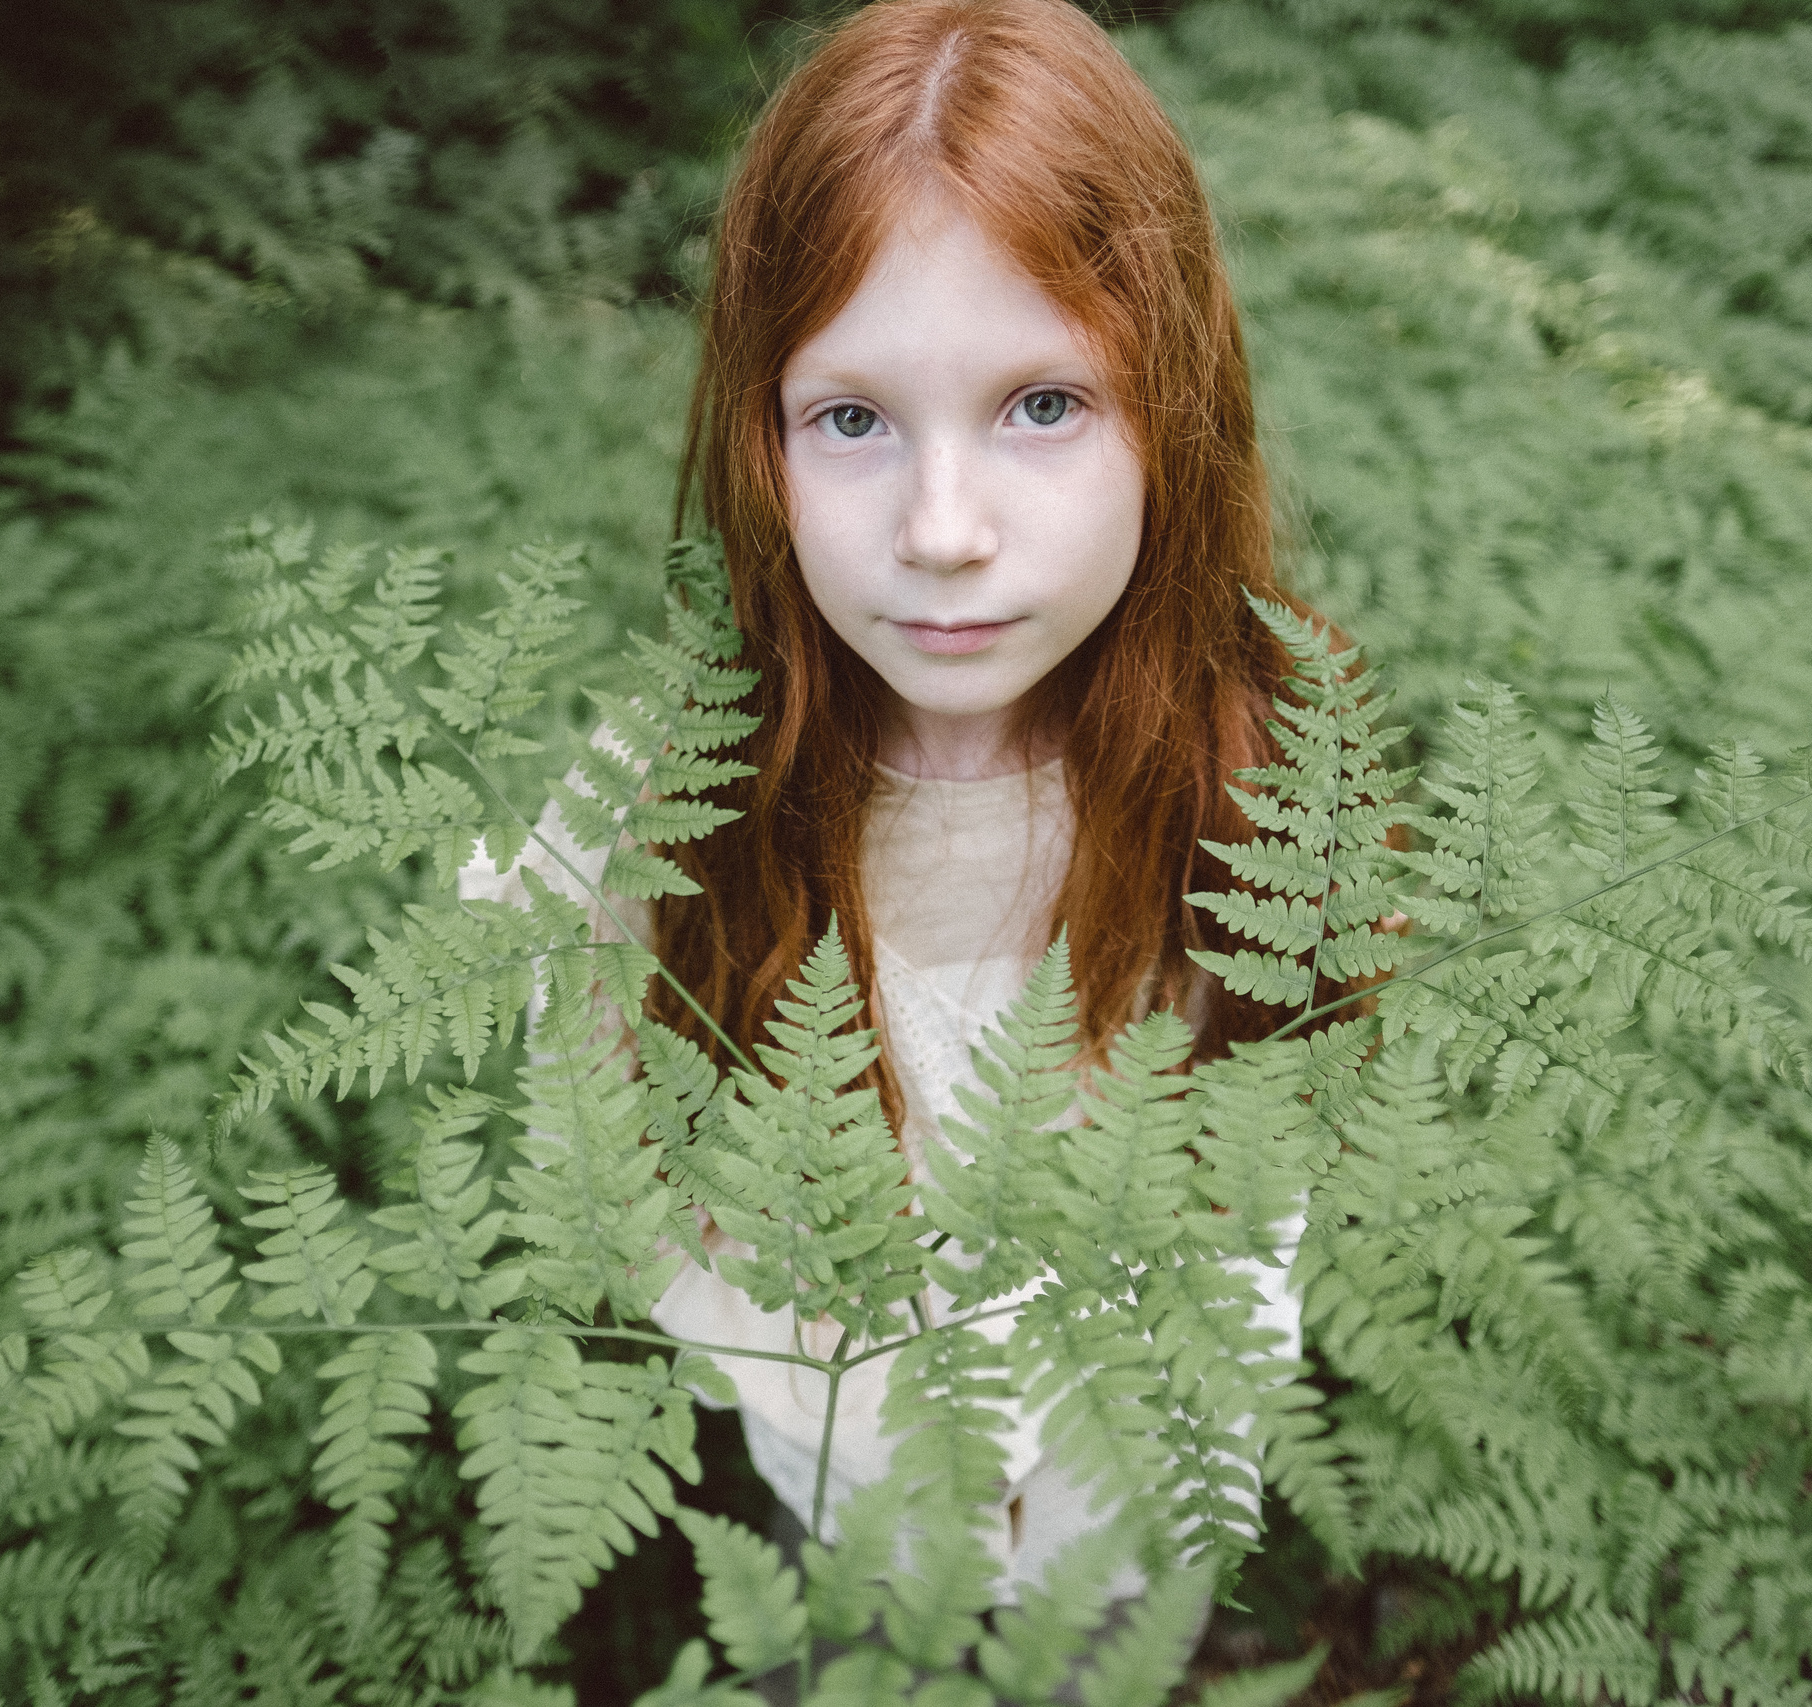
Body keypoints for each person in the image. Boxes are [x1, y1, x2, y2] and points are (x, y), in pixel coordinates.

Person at [464, 0, 1325, 1623]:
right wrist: (835, 1411)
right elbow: (620, 1148)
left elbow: (1270, 1160)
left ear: (1176, 412)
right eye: (853, 418)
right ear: (762, 437)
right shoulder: (680, 790)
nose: (942, 530)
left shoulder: (1255, 773)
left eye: (1041, 405)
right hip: (840, 1492)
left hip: (1128, 1495)